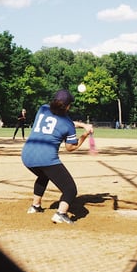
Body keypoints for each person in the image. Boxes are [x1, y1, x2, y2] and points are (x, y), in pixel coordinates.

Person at [21, 89, 94, 225]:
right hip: (46, 158)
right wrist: (84, 134)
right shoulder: (67, 124)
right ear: (67, 106)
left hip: (26, 155)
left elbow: (59, 120)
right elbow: (70, 147)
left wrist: (83, 125)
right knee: (70, 189)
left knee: (43, 175)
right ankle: (61, 213)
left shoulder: (42, 109)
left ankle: (35, 206)